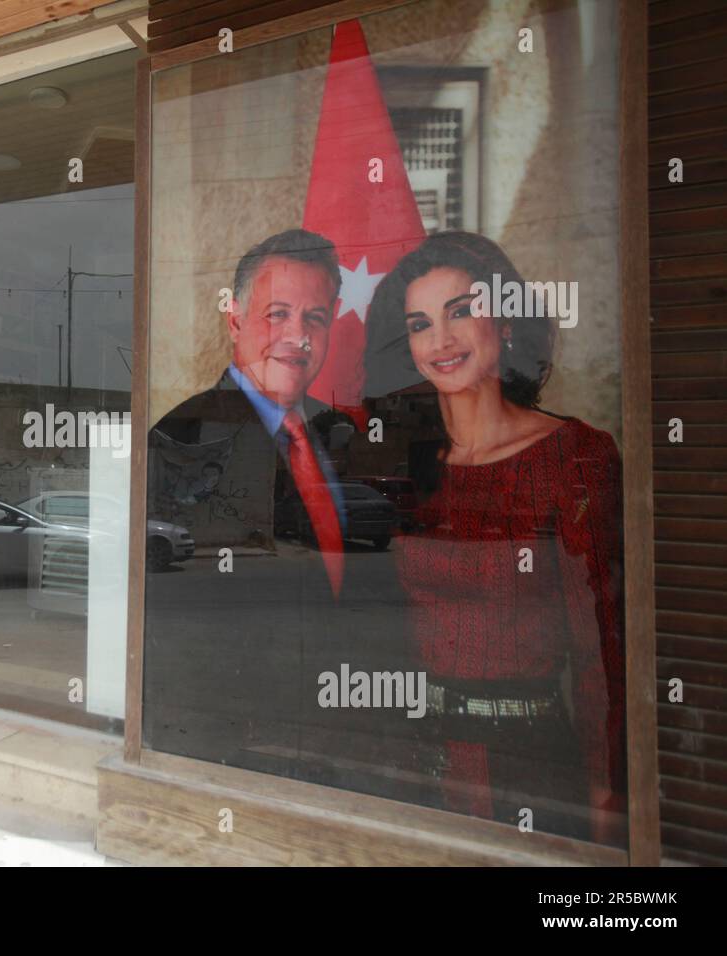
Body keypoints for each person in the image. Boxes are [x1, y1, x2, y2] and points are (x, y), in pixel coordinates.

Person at [364, 231, 625, 844]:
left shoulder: (575, 457)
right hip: (412, 767)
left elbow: (603, 651)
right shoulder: (409, 464)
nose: (443, 340)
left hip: (530, 770)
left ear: (505, 319)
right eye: (421, 324)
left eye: (461, 311)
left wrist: (609, 791)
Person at [143, 229, 423, 798]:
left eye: (316, 318)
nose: (297, 337)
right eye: (277, 314)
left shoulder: (332, 428)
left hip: (332, 729)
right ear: (235, 322)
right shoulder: (180, 433)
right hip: (227, 744)